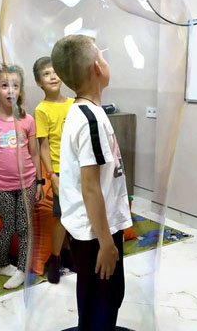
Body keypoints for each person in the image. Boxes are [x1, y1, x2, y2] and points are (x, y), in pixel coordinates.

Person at [51, 34, 132, 330]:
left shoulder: (84, 111)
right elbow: (90, 186)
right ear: (97, 67)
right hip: (97, 232)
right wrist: (106, 243)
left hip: (92, 228)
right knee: (104, 298)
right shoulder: (90, 119)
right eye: (103, 55)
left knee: (95, 295)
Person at [0, 63, 43, 289]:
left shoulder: (28, 120)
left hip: (27, 183)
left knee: (24, 227)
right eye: (5, 85)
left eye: (15, 85)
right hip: (1, 186)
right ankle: (2, 264)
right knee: (8, 226)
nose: (11, 90)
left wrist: (39, 181)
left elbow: (34, 153)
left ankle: (22, 269)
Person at [33, 56, 74, 284]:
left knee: (74, 213)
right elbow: (43, 146)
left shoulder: (74, 103)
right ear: (39, 82)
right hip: (58, 170)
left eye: (55, 72)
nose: (52, 77)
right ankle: (55, 259)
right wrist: (51, 175)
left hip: (77, 168)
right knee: (60, 216)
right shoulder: (41, 109)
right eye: (46, 74)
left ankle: (68, 253)